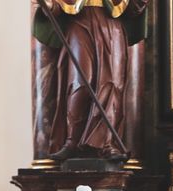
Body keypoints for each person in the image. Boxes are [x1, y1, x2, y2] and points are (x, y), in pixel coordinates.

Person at [32, 0, 150, 160]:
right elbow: (59, 5)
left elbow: (133, 7)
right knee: (79, 83)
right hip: (80, 24)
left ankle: (107, 144)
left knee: (111, 84)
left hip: (112, 27)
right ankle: (72, 141)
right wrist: (50, 5)